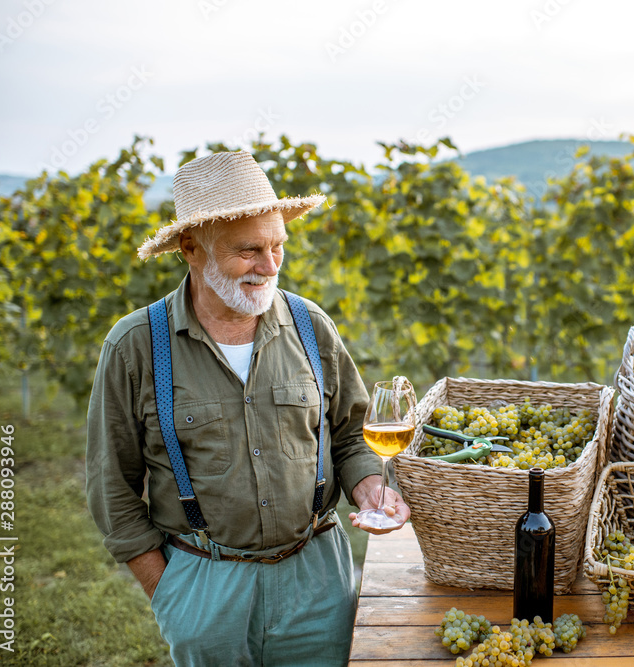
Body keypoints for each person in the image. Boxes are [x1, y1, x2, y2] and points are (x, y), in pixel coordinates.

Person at [85, 150, 410, 666]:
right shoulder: (136, 346)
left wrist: (371, 486)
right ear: (191, 248)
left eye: (278, 245)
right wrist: (171, 592)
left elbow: (350, 434)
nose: (269, 265)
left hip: (318, 578)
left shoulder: (310, 326)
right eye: (249, 250)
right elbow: (111, 486)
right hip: (204, 583)